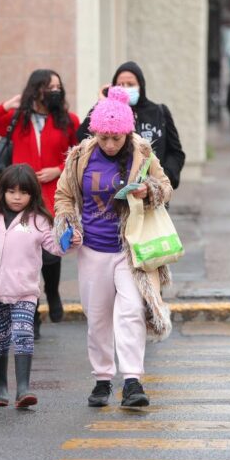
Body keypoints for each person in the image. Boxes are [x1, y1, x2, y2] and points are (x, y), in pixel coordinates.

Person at [56, 87, 173, 408]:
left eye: (116, 138)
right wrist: (68, 224)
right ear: (95, 132)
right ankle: (102, 379)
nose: (109, 144)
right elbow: (64, 195)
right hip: (92, 249)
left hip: (130, 249)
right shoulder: (80, 156)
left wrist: (148, 191)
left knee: (132, 311)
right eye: (104, 137)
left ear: (127, 132)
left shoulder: (143, 153)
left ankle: (133, 380)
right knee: (97, 318)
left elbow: (165, 186)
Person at [0, 164, 80, 409]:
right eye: (12, 191)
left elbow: (54, 248)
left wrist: (71, 241)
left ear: (32, 194)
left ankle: (23, 389)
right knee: (0, 339)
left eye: (23, 192)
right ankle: (0, 387)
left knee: (23, 334)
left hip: (25, 291)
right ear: (2, 190)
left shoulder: (39, 220)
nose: (17, 197)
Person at [0, 70, 80, 337]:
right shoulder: (18, 118)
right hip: (22, 195)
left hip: (54, 193)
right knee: (25, 253)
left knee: (50, 251)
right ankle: (32, 314)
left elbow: (80, 153)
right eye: (48, 87)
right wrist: (6, 106)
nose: (54, 91)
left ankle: (52, 291)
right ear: (36, 90)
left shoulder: (68, 120)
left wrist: (58, 168)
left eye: (58, 86)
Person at [76, 61, 186, 189]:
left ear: (141, 86)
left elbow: (175, 153)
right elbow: (82, 137)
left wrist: (162, 180)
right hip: (116, 189)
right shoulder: (108, 114)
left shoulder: (159, 112)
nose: (125, 88)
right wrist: (102, 104)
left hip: (153, 190)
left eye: (131, 84)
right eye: (120, 85)